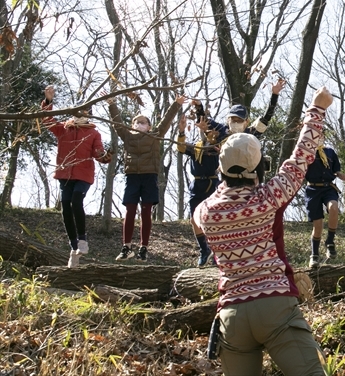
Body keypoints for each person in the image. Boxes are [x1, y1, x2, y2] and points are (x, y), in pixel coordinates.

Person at [193, 87, 332, 376]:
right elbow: (301, 157)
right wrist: (316, 109)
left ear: (221, 170)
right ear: (258, 166)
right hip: (275, 306)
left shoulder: (206, 211)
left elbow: (196, 222)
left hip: (231, 316)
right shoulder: (268, 198)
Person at [41, 85, 112, 268]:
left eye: (85, 111)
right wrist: (48, 101)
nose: (81, 114)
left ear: (89, 114)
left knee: (75, 200)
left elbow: (99, 153)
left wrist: (105, 156)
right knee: (65, 205)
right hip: (65, 174)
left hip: (83, 174)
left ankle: (82, 238)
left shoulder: (93, 133)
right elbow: (48, 121)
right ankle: (73, 244)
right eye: (77, 111)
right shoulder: (63, 129)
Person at [108, 94, 185, 261]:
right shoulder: (127, 136)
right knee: (129, 210)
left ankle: (144, 248)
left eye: (143, 122)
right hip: (132, 176)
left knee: (146, 211)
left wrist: (176, 104)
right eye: (136, 122)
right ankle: (126, 247)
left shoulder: (154, 135)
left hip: (149, 176)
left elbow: (166, 120)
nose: (139, 124)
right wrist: (112, 104)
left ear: (149, 126)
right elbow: (117, 124)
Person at [176, 100, 220, 266]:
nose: (210, 133)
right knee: (194, 219)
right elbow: (180, 148)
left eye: (212, 131)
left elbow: (207, 127)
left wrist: (200, 110)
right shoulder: (196, 147)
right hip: (197, 185)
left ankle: (217, 252)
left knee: (214, 219)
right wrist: (181, 130)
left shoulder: (218, 146)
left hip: (213, 185)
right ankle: (204, 249)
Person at [304, 136, 345, 268]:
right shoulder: (306, 152)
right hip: (312, 189)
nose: (318, 137)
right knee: (318, 225)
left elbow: (336, 169)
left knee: (334, 207)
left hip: (328, 187)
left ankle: (330, 241)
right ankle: (314, 255)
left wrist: (340, 174)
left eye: (321, 134)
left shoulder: (330, 152)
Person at [205, 78, 286, 141]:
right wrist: (198, 108)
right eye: (233, 120)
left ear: (246, 122)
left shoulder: (250, 133)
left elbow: (266, 118)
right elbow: (204, 122)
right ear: (228, 120)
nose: (236, 123)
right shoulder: (222, 130)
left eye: (239, 120)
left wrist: (274, 95)